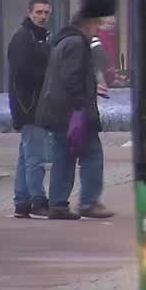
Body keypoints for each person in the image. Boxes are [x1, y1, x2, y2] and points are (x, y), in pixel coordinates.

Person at [34, 12, 114, 220]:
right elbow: (73, 79)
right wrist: (82, 108)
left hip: (57, 111)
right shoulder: (78, 44)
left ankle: (58, 204)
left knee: (64, 157)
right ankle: (88, 202)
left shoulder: (63, 41)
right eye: (96, 23)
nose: (99, 28)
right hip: (72, 113)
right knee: (92, 153)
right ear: (86, 24)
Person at [8, 0, 53, 218]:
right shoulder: (23, 38)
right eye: (39, 12)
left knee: (26, 156)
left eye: (46, 13)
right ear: (29, 12)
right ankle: (37, 201)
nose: (43, 16)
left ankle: (22, 202)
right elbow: (22, 73)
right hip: (30, 106)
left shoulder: (39, 38)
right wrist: (49, 77)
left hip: (32, 105)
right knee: (35, 156)